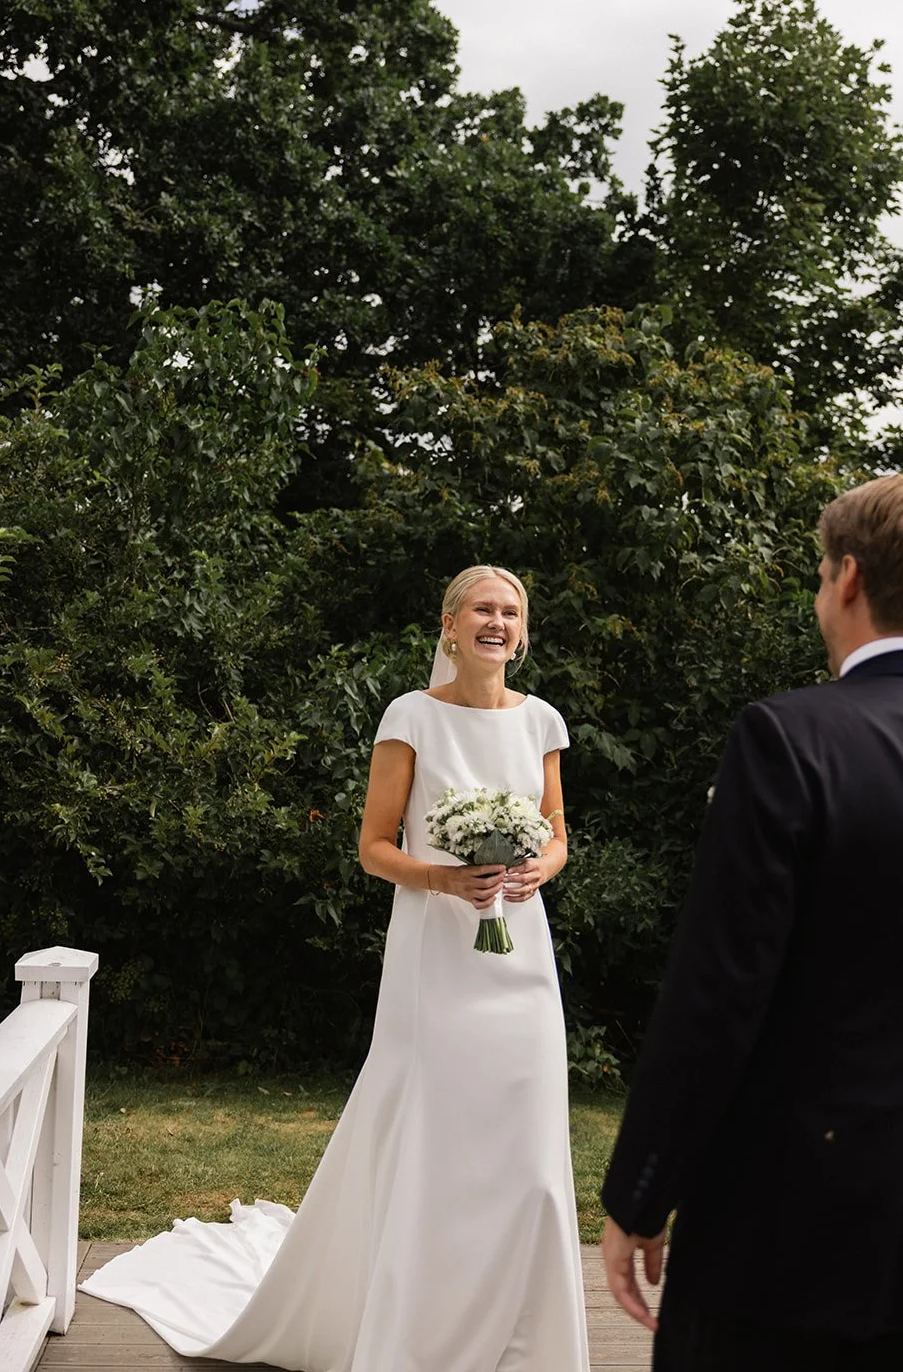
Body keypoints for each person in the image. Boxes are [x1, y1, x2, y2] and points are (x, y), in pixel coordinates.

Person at [82, 563, 590, 1372]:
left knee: (524, 1135)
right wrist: (443, 878)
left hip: (520, 951)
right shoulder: (410, 715)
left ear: (521, 630)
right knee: (431, 1117)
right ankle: (407, 1323)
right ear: (449, 625)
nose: (496, 622)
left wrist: (542, 867)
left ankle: (520, 1332)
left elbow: (558, 827)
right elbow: (373, 848)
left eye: (510, 611)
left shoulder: (544, 721)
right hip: (436, 952)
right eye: (481, 610)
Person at [600, 473, 903, 1372]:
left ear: (845, 578)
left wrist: (642, 1192)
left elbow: (717, 991)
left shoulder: (786, 739)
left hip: (786, 1230)